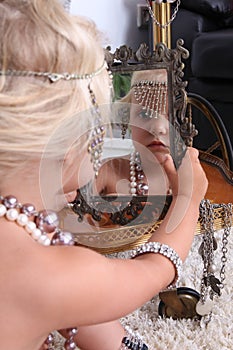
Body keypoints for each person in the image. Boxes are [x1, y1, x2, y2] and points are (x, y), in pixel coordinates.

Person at [0, 1, 208, 350]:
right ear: (70, 144)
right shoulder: (51, 275)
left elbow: (83, 312)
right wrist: (188, 198)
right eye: (96, 133)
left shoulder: (37, 256)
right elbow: (153, 269)